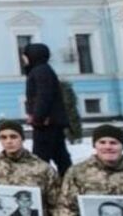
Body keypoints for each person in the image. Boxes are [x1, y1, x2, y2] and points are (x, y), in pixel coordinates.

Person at [58, 124, 123, 216]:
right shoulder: (77, 174)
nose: (108, 147)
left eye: (113, 143)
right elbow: (66, 209)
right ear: (95, 146)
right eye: (102, 142)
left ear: (122, 146)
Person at [0, 121, 58, 216]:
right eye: (3, 137)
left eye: (13, 137)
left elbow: (55, 205)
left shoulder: (43, 168)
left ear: (22, 138)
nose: (8, 141)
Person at [22, 43, 72, 177]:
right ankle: (68, 179)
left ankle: (41, 183)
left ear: (32, 56)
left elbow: (44, 96)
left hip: (46, 123)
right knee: (60, 155)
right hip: (52, 121)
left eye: (25, 56)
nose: (23, 59)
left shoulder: (40, 71)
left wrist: (37, 117)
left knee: (40, 158)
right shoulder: (42, 70)